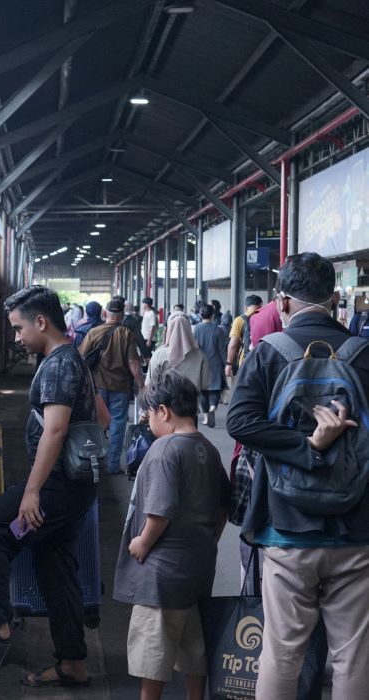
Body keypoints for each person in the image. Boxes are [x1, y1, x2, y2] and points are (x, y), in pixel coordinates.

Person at [227, 252, 369, 698]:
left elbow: (240, 422)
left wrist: (305, 449)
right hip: (356, 531)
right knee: (353, 656)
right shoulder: (363, 354)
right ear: (334, 298)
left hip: (286, 528)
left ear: (282, 301)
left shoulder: (270, 352)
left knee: (282, 652)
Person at [0, 286, 100, 688]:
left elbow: (54, 430)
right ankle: (73, 662)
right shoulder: (74, 359)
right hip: (74, 486)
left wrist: (32, 492)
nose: (17, 337)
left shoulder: (56, 365)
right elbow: (100, 415)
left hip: (54, 488)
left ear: (40, 322)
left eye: (19, 328)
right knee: (55, 565)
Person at [115, 371, 229, 700]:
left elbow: (160, 510)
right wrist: (210, 538)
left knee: (153, 654)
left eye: (150, 414)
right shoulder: (207, 448)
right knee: (195, 648)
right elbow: (224, 504)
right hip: (198, 567)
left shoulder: (165, 449)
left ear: (163, 411)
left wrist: (143, 542)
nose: (149, 421)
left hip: (161, 575)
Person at [80, 296, 145, 475]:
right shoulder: (126, 334)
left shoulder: (94, 332)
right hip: (120, 387)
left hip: (97, 387)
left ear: (105, 313)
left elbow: (80, 359)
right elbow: (133, 362)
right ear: (122, 315)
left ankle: (93, 464)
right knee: (117, 425)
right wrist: (141, 384)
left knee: (96, 424)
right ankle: (112, 465)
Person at [148, 315, 210, 397]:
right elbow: (205, 384)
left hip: (165, 403)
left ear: (169, 330)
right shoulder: (200, 355)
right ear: (189, 329)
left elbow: (151, 382)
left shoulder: (159, 354)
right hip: (191, 403)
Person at [192, 305, 228, 428]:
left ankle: (207, 417)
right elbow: (222, 350)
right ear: (213, 315)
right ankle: (213, 408)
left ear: (200, 315)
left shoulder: (195, 329)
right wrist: (226, 364)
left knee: (203, 392)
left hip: (201, 364)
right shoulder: (219, 330)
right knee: (215, 390)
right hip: (215, 364)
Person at [225, 294, 263, 379]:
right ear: (261, 305)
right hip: (263, 358)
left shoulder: (239, 320)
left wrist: (229, 364)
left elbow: (233, 345)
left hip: (245, 360)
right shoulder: (265, 318)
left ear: (245, 307)